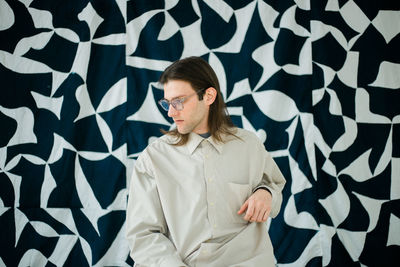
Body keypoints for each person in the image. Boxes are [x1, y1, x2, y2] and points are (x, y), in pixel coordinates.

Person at [126, 56, 286, 267]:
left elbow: (274, 185)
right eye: (167, 103)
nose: (171, 112)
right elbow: (143, 235)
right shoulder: (153, 159)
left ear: (209, 96)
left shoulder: (250, 145)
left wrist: (266, 194)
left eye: (179, 101)